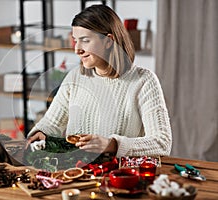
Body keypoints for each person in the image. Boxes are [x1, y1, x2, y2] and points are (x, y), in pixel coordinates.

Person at [26, 4, 172, 158]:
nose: (77, 49)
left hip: (118, 176)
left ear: (108, 41)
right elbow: (52, 123)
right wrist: (40, 132)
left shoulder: (144, 81)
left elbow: (162, 142)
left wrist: (112, 145)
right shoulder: (75, 77)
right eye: (75, 40)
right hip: (76, 173)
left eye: (85, 40)